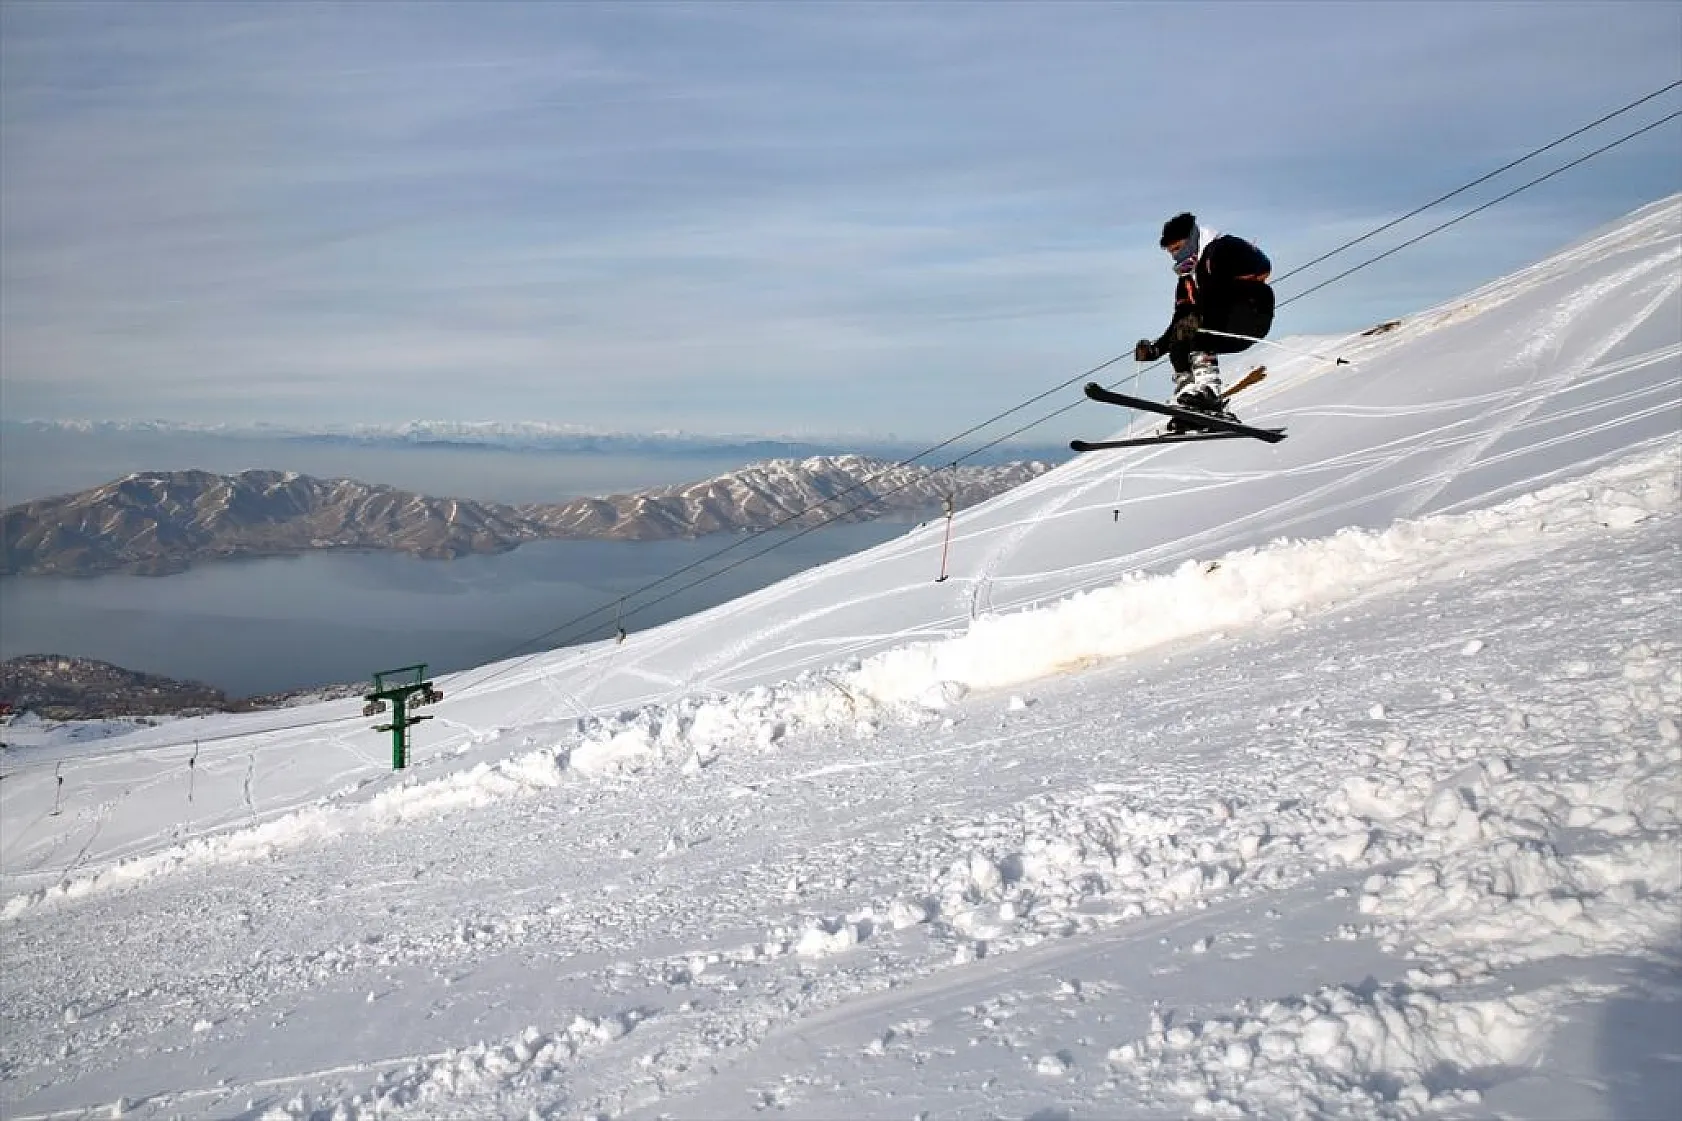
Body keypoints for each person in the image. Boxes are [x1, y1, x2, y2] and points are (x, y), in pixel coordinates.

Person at [1133, 212, 1274, 430]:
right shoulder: (1187, 280)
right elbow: (1180, 319)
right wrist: (1154, 351)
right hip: (1217, 322)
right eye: (1171, 252)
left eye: (1178, 248)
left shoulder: (1221, 248)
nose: (1174, 256)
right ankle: (1189, 400)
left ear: (1191, 240)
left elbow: (1263, 267)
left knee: (1199, 323)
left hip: (1249, 314)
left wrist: (1224, 284)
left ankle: (1208, 392)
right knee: (1180, 339)